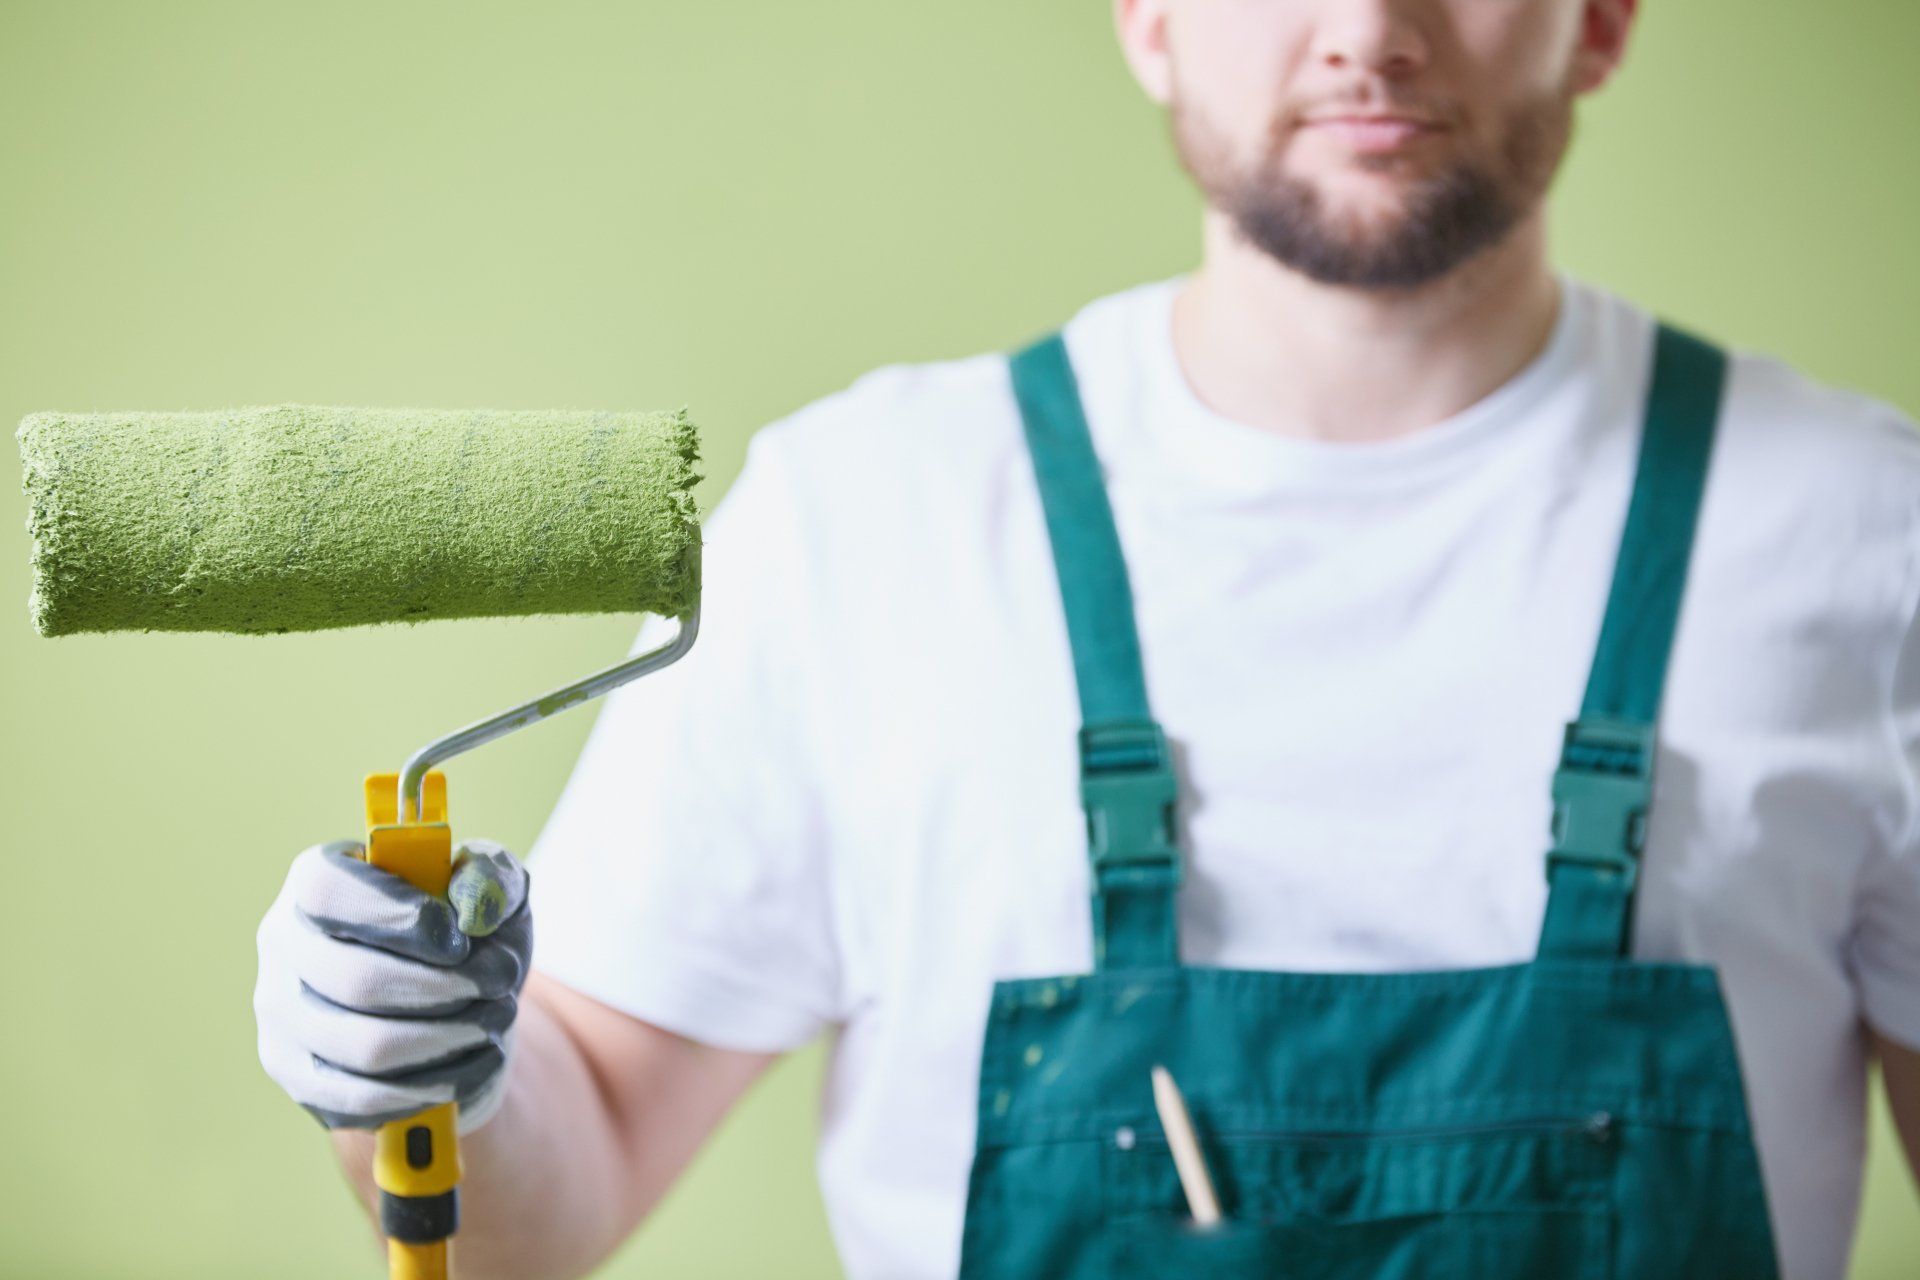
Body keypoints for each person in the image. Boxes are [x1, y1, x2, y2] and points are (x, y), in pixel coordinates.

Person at [252, 2, 1920, 1277]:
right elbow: (562, 1181)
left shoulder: (1862, 535)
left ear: (1608, 14)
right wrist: (421, 1076)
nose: (1366, 31)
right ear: (1147, 16)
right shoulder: (865, 524)